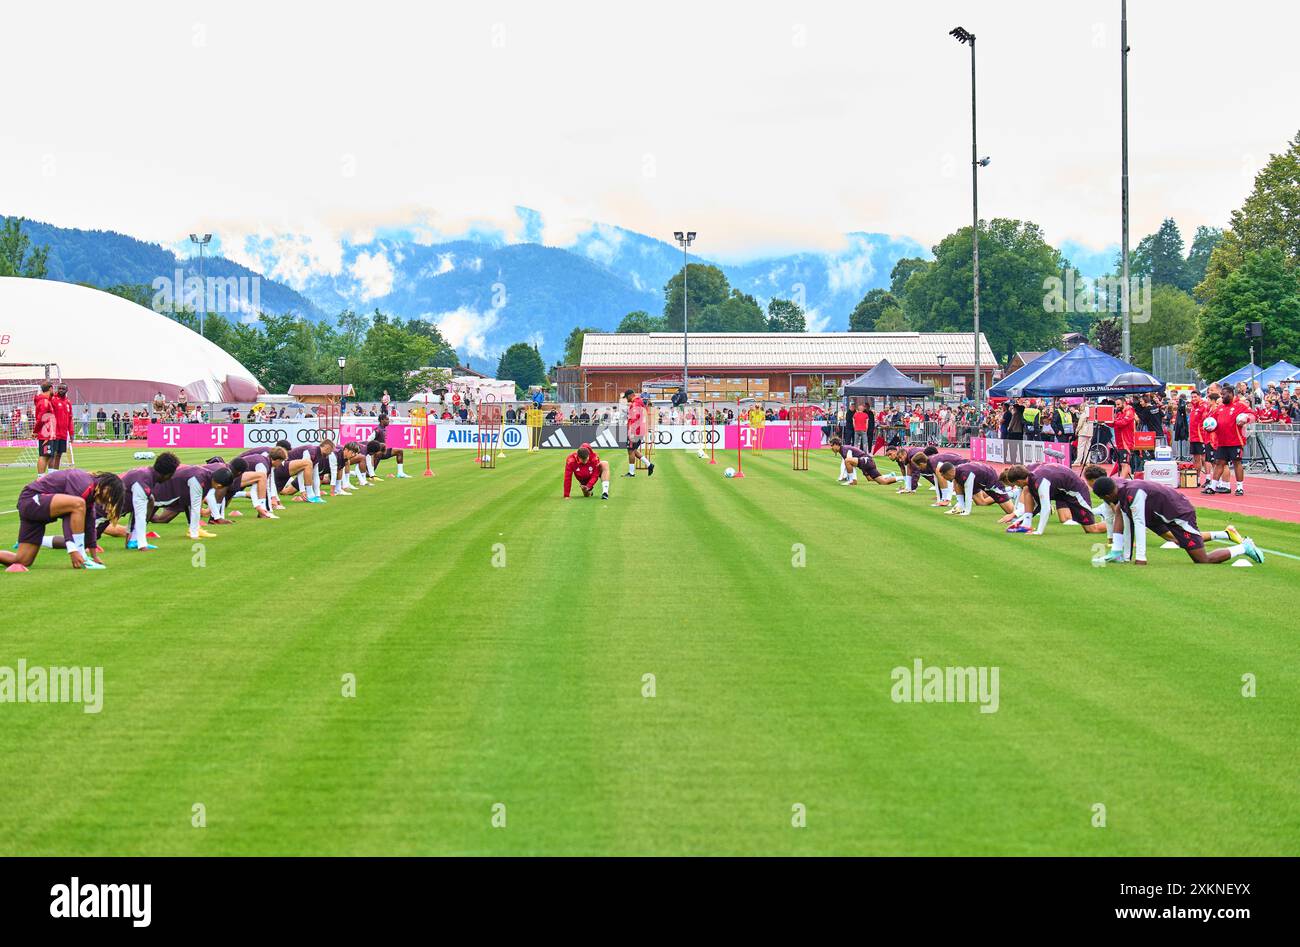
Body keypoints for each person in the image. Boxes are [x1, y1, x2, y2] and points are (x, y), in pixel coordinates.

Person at [1091, 476, 1261, 566]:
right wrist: (1121, 554)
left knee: (1202, 559)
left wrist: (1141, 558)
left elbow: (1139, 524)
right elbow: (1125, 519)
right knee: (1173, 540)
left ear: (1106, 496)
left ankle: (1243, 547)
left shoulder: (1132, 493)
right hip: (1157, 514)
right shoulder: (1117, 487)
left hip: (1179, 514)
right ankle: (1225, 534)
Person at [0, 469, 125, 571]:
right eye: (111, 495)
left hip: (36, 511)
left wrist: (94, 555)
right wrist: (74, 550)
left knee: (22, 560)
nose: (109, 500)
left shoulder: (90, 495)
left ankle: (84, 555)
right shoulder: (83, 483)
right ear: (106, 486)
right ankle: (82, 555)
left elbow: (90, 524)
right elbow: (69, 516)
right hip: (31, 500)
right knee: (78, 504)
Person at [1000, 463, 1109, 535]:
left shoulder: (1040, 481)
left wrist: (1039, 531)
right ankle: (1026, 525)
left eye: (1015, 484)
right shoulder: (1030, 479)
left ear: (1019, 481)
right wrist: (1019, 522)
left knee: (1091, 529)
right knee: (1027, 490)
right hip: (1061, 492)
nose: (1017, 487)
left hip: (1075, 491)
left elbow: (1046, 508)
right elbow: (1037, 507)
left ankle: (1118, 524)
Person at [1206, 390, 1252, 496]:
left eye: (1226, 394)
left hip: (1235, 441)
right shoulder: (1220, 408)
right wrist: (1209, 428)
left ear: (1232, 394)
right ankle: (1213, 487)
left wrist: (1246, 419)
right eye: (1222, 395)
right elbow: (1212, 422)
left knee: (1237, 462)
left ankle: (1240, 487)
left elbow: (1252, 414)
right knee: (1219, 463)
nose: (1223, 396)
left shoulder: (1239, 406)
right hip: (1222, 442)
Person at [937, 461, 1015, 516]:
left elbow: (968, 493)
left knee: (1011, 511)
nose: (944, 478)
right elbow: (958, 488)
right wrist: (961, 506)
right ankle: (960, 506)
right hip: (978, 481)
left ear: (950, 472)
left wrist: (967, 512)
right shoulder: (956, 474)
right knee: (981, 502)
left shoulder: (966, 474)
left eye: (944, 476)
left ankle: (1011, 494)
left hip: (991, 480)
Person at [827, 436, 896, 486]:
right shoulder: (842, 450)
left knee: (847, 461)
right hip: (866, 462)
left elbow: (849, 462)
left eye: (831, 445)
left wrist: (851, 478)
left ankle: (851, 481)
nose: (831, 448)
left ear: (836, 444)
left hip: (866, 460)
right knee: (876, 480)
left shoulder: (844, 449)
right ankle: (897, 477)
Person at [622, 389, 655, 478]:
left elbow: (634, 418)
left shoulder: (635, 404)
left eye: (626, 397)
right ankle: (649, 465)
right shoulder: (640, 402)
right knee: (633, 450)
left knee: (630, 451)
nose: (626, 399)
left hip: (635, 430)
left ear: (630, 395)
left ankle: (631, 473)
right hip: (640, 429)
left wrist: (631, 430)